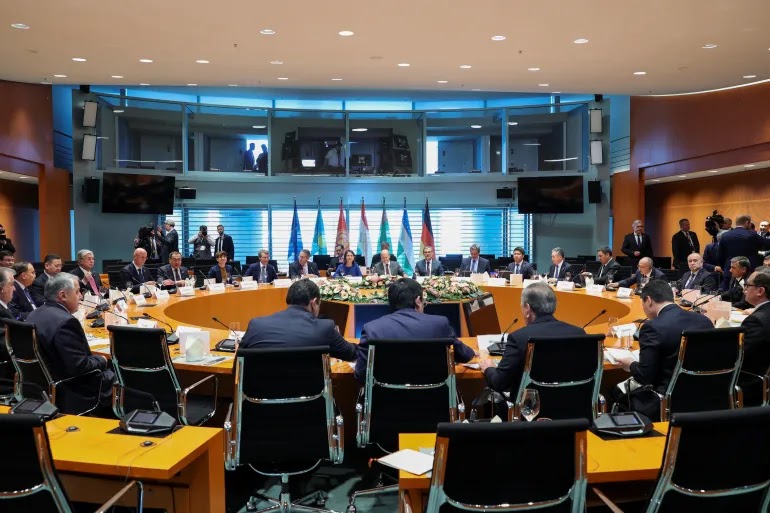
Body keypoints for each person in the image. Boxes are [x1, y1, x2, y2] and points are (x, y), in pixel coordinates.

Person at [614, 280, 713, 420]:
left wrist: (630, 364)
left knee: (616, 392)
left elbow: (644, 376)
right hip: (704, 394)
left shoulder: (652, 327)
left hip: (666, 399)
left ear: (648, 300)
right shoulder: (704, 321)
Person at [26, 273, 116, 416]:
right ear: (63, 295)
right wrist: (102, 359)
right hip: (72, 388)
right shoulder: (66, 322)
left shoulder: (34, 314)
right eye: (77, 291)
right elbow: (80, 367)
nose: (80, 296)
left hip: (42, 386)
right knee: (124, 375)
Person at [354, 278, 476, 383]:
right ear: (418, 300)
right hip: (434, 400)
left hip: (385, 401)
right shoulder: (440, 324)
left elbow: (361, 375)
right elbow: (465, 356)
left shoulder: (371, 329)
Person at [480, 282, 585, 395]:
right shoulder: (579, 334)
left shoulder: (518, 338)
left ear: (527, 308)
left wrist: (489, 368)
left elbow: (500, 383)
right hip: (574, 403)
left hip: (532, 404)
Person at [240, 279, 357, 361]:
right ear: (314, 303)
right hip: (310, 390)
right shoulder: (325, 328)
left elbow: (239, 361)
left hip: (262, 390)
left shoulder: (256, 325)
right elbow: (353, 354)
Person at [737, 271, 770, 406]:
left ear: (760, 291)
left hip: (750, 383)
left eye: (747, 285)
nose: (744, 289)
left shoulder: (756, 321)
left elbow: (739, 356)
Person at [717, 215, 770, 288]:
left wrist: (725, 267)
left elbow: (719, 255)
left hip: (730, 270)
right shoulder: (752, 234)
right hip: (748, 272)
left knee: (726, 292)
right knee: (747, 292)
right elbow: (767, 244)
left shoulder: (725, 235)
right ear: (747, 223)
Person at [0, 267, 16, 334]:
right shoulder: (2, 313)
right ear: (1, 288)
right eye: (12, 284)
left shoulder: (7, 305)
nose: (14, 289)